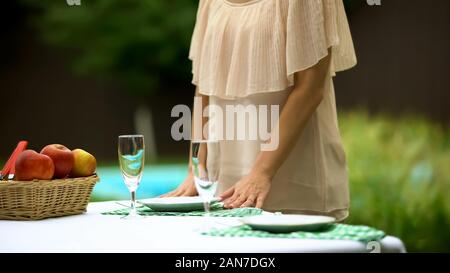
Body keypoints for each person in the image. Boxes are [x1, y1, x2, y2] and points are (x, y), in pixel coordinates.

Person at [164, 0, 357, 221]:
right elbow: (203, 90)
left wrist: (261, 173)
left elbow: (310, 90)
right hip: (224, 189)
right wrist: (196, 170)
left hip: (292, 188)